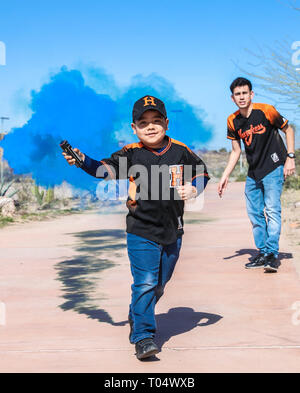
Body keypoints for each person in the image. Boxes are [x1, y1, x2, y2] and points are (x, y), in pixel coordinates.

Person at [62, 96, 210, 359]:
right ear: (134, 128)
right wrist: (83, 160)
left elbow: (201, 172)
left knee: (159, 285)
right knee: (145, 282)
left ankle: (137, 312)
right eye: (143, 123)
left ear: (166, 122)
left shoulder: (180, 151)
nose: (150, 127)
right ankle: (143, 335)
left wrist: (194, 188)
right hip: (141, 230)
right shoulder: (131, 153)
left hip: (173, 231)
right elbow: (103, 170)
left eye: (156, 121)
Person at [218, 77, 296, 273]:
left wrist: (290, 157)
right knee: (254, 214)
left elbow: (289, 129)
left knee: (272, 210)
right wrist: (225, 175)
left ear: (251, 94)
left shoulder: (266, 111)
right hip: (253, 172)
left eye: (245, 93)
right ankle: (263, 252)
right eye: (238, 94)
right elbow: (236, 151)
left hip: (273, 167)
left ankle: (272, 254)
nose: (242, 97)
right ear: (232, 98)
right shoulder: (232, 120)